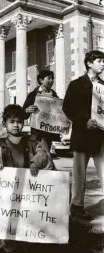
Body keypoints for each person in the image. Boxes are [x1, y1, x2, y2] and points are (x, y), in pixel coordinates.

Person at [0, 104, 56, 253]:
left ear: (24, 122)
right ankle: (10, 244)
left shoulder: (31, 141)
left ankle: (27, 241)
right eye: (12, 122)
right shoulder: (1, 144)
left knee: (27, 217)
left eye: (19, 122)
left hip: (28, 189)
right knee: (10, 218)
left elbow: (43, 153)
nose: (16, 125)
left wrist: (35, 162)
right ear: (4, 123)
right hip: (9, 190)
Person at [63, 50, 104, 221]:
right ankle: (77, 207)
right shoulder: (76, 84)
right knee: (79, 174)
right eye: (100, 61)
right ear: (89, 63)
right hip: (82, 135)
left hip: (101, 136)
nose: (103, 64)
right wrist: (84, 120)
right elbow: (68, 107)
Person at [23, 70, 60, 151]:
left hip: (50, 132)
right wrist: (27, 110)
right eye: (49, 78)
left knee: (45, 155)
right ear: (41, 80)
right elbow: (24, 114)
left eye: (53, 78)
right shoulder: (32, 95)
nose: (52, 80)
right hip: (38, 132)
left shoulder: (55, 96)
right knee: (44, 153)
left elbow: (59, 114)